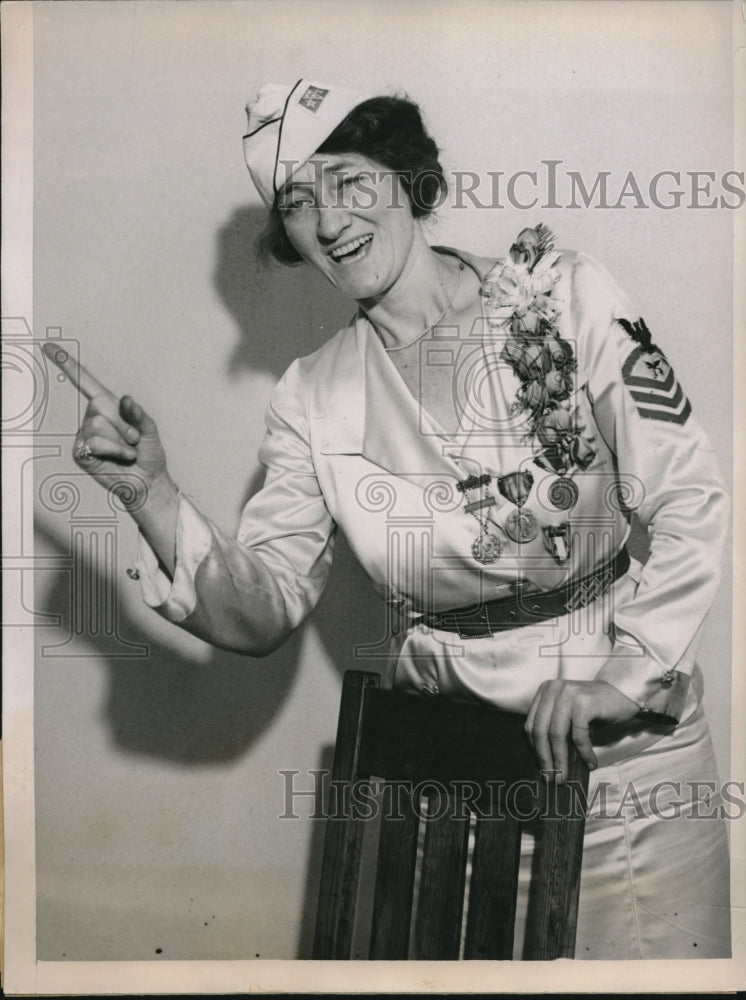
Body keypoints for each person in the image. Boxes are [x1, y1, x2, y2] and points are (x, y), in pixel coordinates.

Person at [46, 78, 731, 960]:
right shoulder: (312, 399)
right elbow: (262, 609)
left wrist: (625, 671)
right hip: (458, 795)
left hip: (625, 777)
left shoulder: (563, 296)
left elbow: (688, 494)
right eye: (297, 201)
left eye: (348, 180)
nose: (328, 220)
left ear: (407, 176)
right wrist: (151, 494)